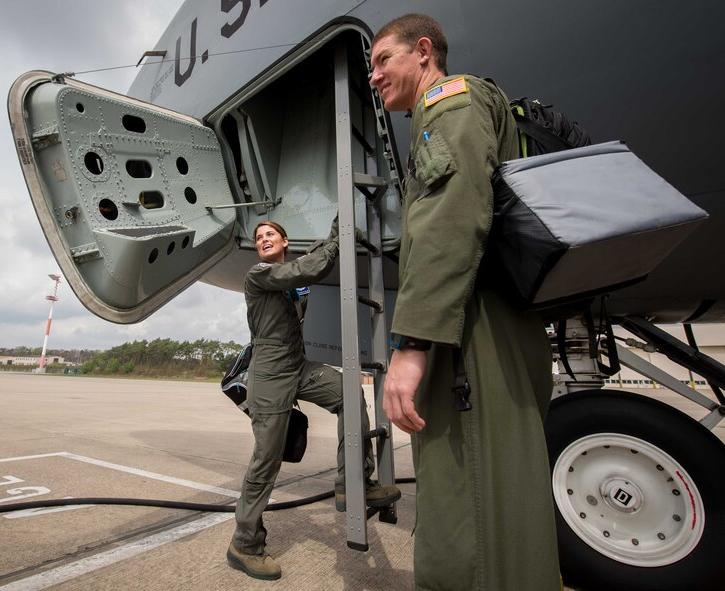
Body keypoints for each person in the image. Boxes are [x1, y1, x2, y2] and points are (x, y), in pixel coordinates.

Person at [371, 14, 561, 591]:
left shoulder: (449, 102)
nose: (374, 76)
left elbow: (448, 218)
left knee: (467, 510)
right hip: (490, 322)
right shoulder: (448, 112)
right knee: (500, 497)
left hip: (471, 332)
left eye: (383, 60)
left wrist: (412, 343)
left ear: (423, 52)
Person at [227, 219, 401, 581]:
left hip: (297, 363)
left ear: (285, 240)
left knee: (348, 395)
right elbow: (310, 265)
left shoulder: (294, 276)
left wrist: (335, 231)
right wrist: (338, 242)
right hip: (270, 372)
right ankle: (244, 543)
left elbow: (310, 260)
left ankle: (352, 483)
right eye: (259, 237)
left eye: (270, 234)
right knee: (266, 459)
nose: (263, 240)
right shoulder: (259, 275)